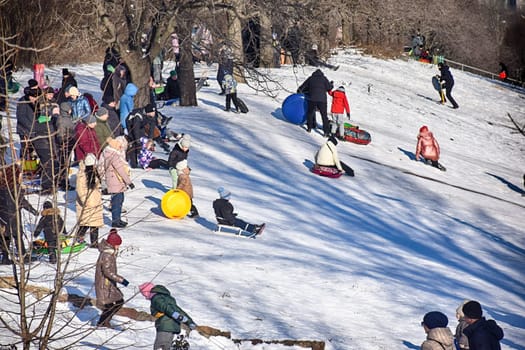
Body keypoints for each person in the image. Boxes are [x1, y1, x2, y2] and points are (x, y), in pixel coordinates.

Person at [139, 282, 197, 350]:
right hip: (173, 326)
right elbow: (179, 310)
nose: (145, 297)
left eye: (144, 294)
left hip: (165, 325)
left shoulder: (156, 298)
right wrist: (189, 322)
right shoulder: (167, 298)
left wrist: (174, 314)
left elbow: (165, 307)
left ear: (148, 291)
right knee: (166, 347)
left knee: (159, 347)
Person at [0, 164, 38, 264]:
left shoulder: (1, 187)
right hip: (14, 215)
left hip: (3, 217)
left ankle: (5, 257)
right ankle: (23, 256)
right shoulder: (15, 187)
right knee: (17, 235)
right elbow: (22, 201)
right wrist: (33, 210)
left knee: (5, 236)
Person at [74, 115, 103, 247]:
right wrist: (90, 201)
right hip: (89, 203)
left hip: (94, 203)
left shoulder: (93, 171)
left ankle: (94, 241)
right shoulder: (83, 173)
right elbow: (81, 189)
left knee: (94, 221)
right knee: (87, 220)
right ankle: (81, 237)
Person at [95, 229, 129, 328]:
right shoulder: (107, 255)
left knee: (116, 302)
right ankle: (102, 323)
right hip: (105, 284)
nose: (119, 247)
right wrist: (121, 280)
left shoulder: (109, 253)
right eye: (118, 244)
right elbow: (107, 272)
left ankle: (105, 322)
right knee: (112, 304)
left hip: (109, 284)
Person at [99, 136, 134, 228]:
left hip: (115, 180)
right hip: (115, 181)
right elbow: (120, 170)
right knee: (117, 201)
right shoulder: (113, 155)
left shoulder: (109, 153)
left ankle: (117, 219)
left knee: (119, 199)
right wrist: (129, 182)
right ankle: (115, 221)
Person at [297, 69, 333, 136]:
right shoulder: (324, 79)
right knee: (324, 116)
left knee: (310, 113)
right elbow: (329, 88)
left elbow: (302, 87)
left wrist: (300, 91)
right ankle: (326, 132)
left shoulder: (311, 78)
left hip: (312, 99)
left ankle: (309, 128)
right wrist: (331, 84)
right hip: (322, 100)